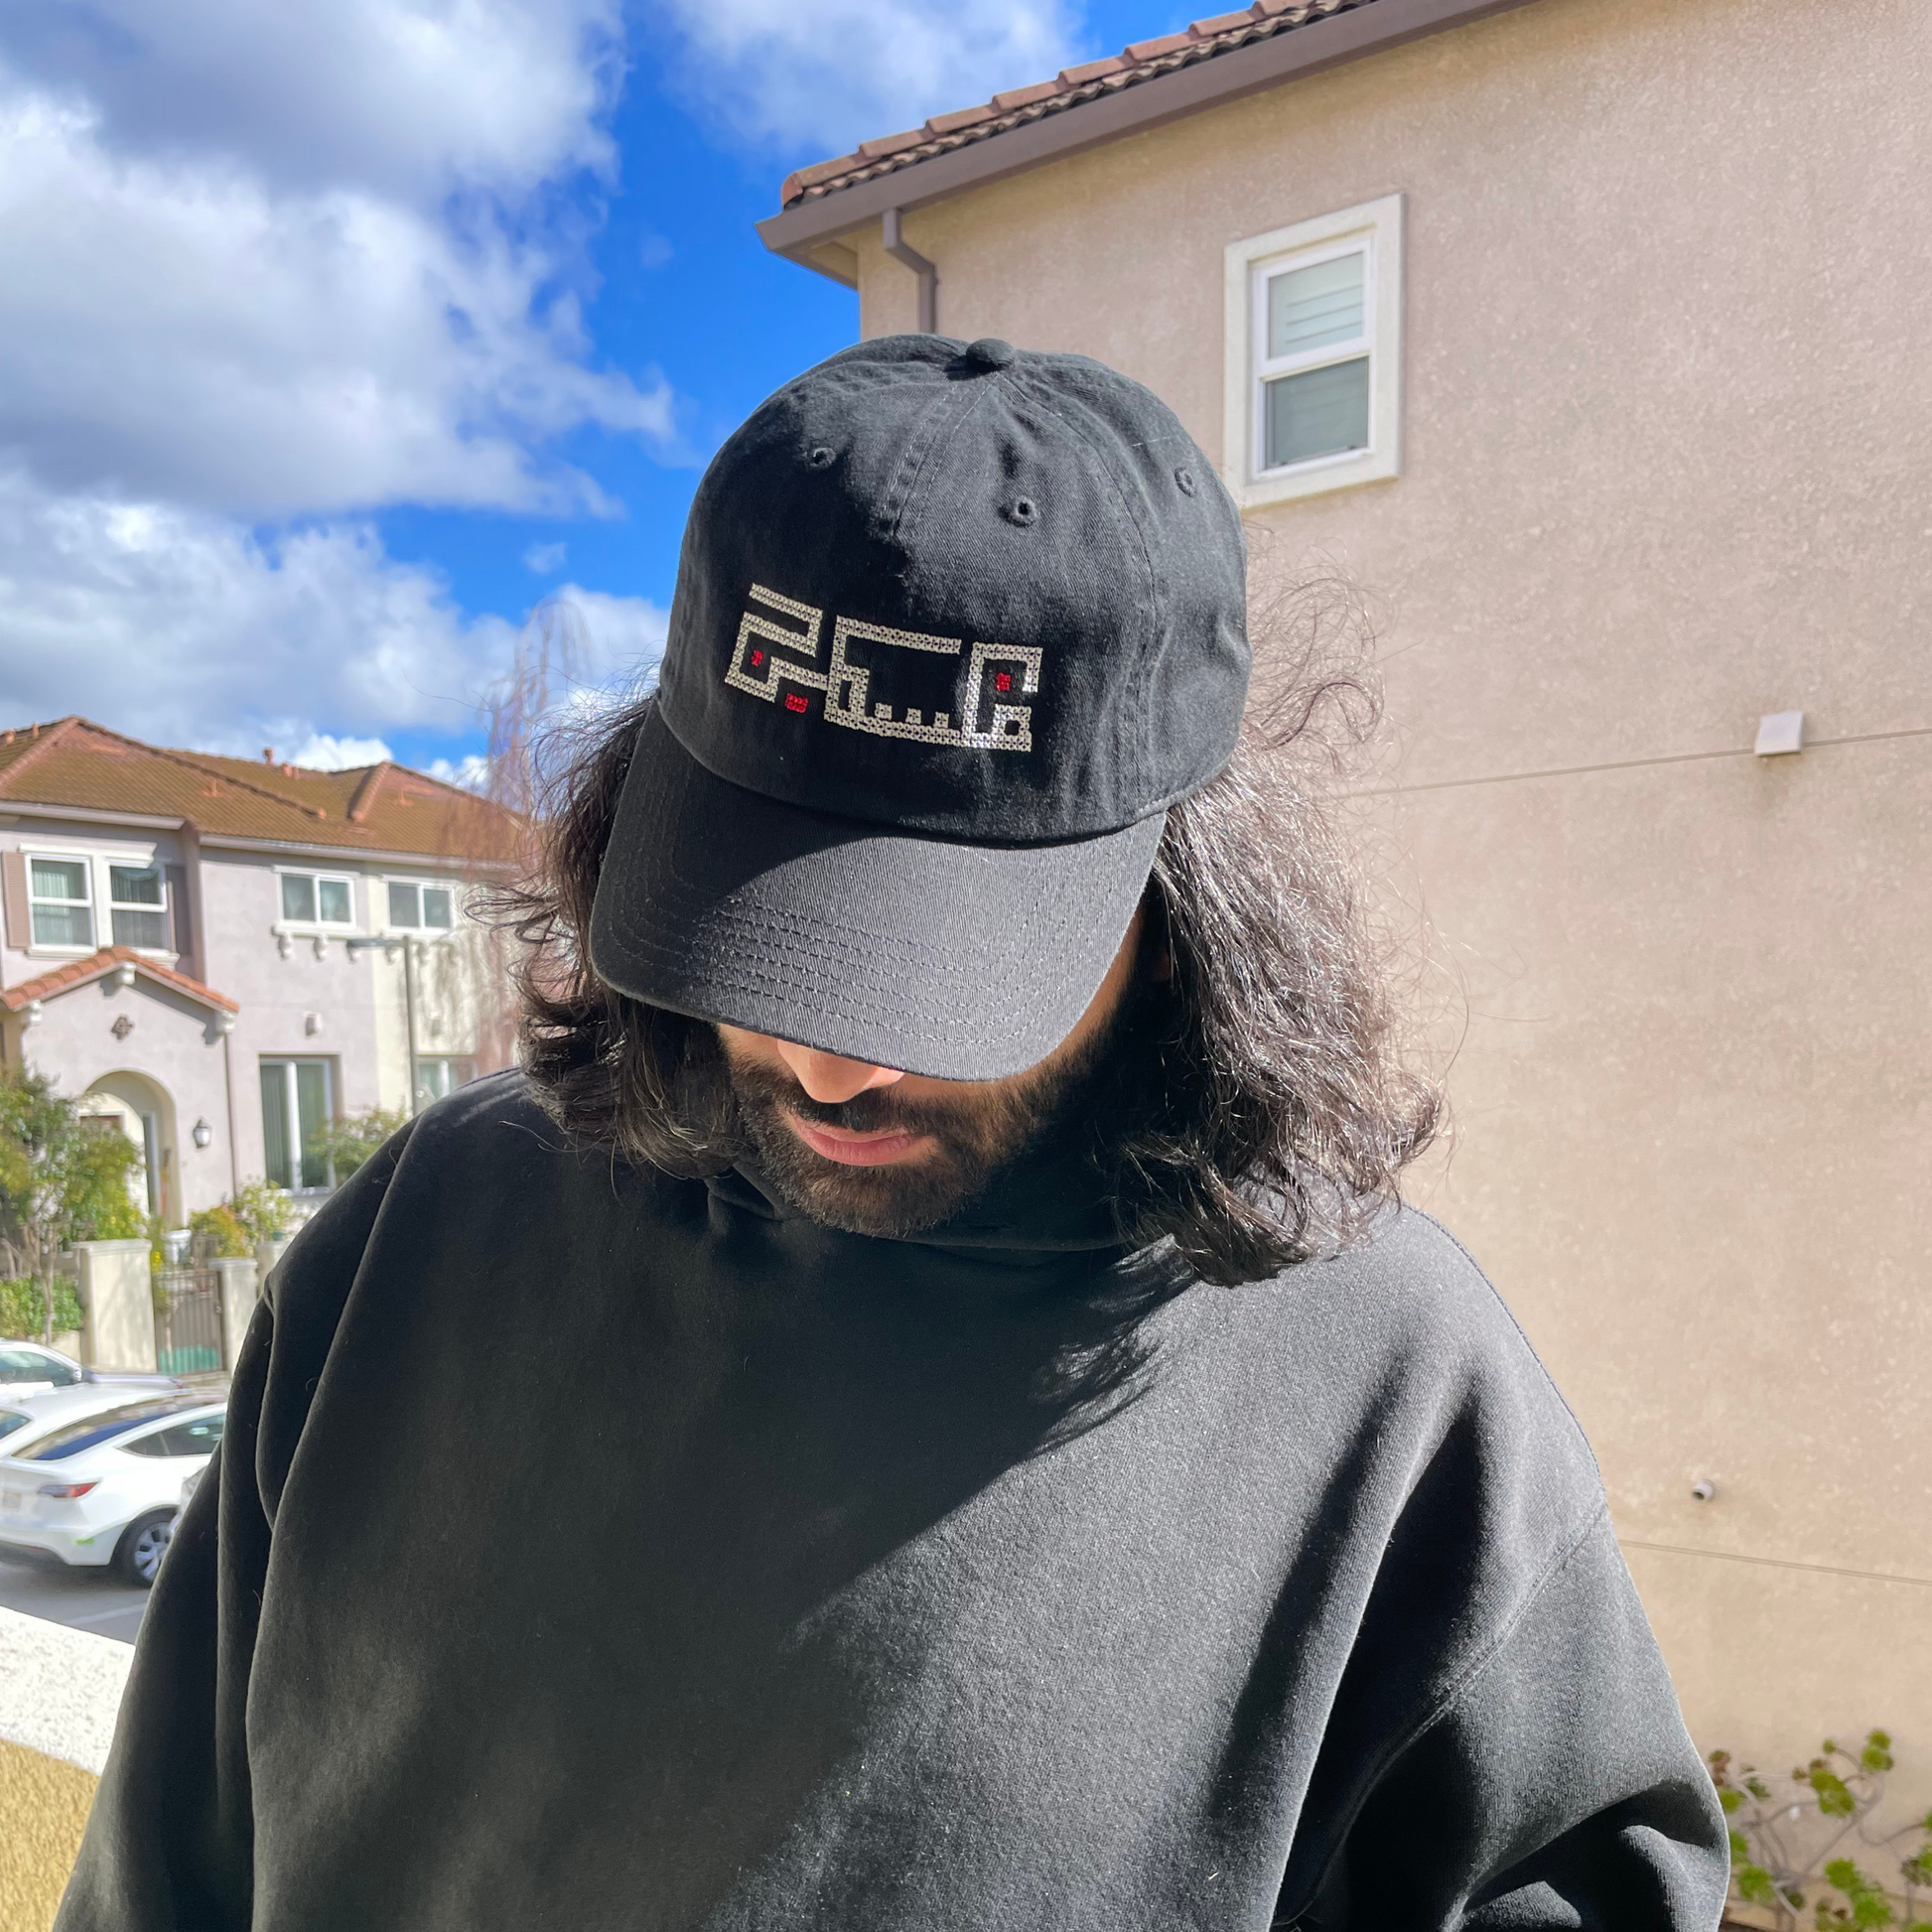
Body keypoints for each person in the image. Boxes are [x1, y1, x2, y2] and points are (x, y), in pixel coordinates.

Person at [59, 336, 1727, 1931]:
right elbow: (162, 1870)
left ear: (1182, 905)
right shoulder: (426, 1228)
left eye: (947, 969)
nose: (828, 1059)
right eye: (763, 923)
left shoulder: (1389, 1387)